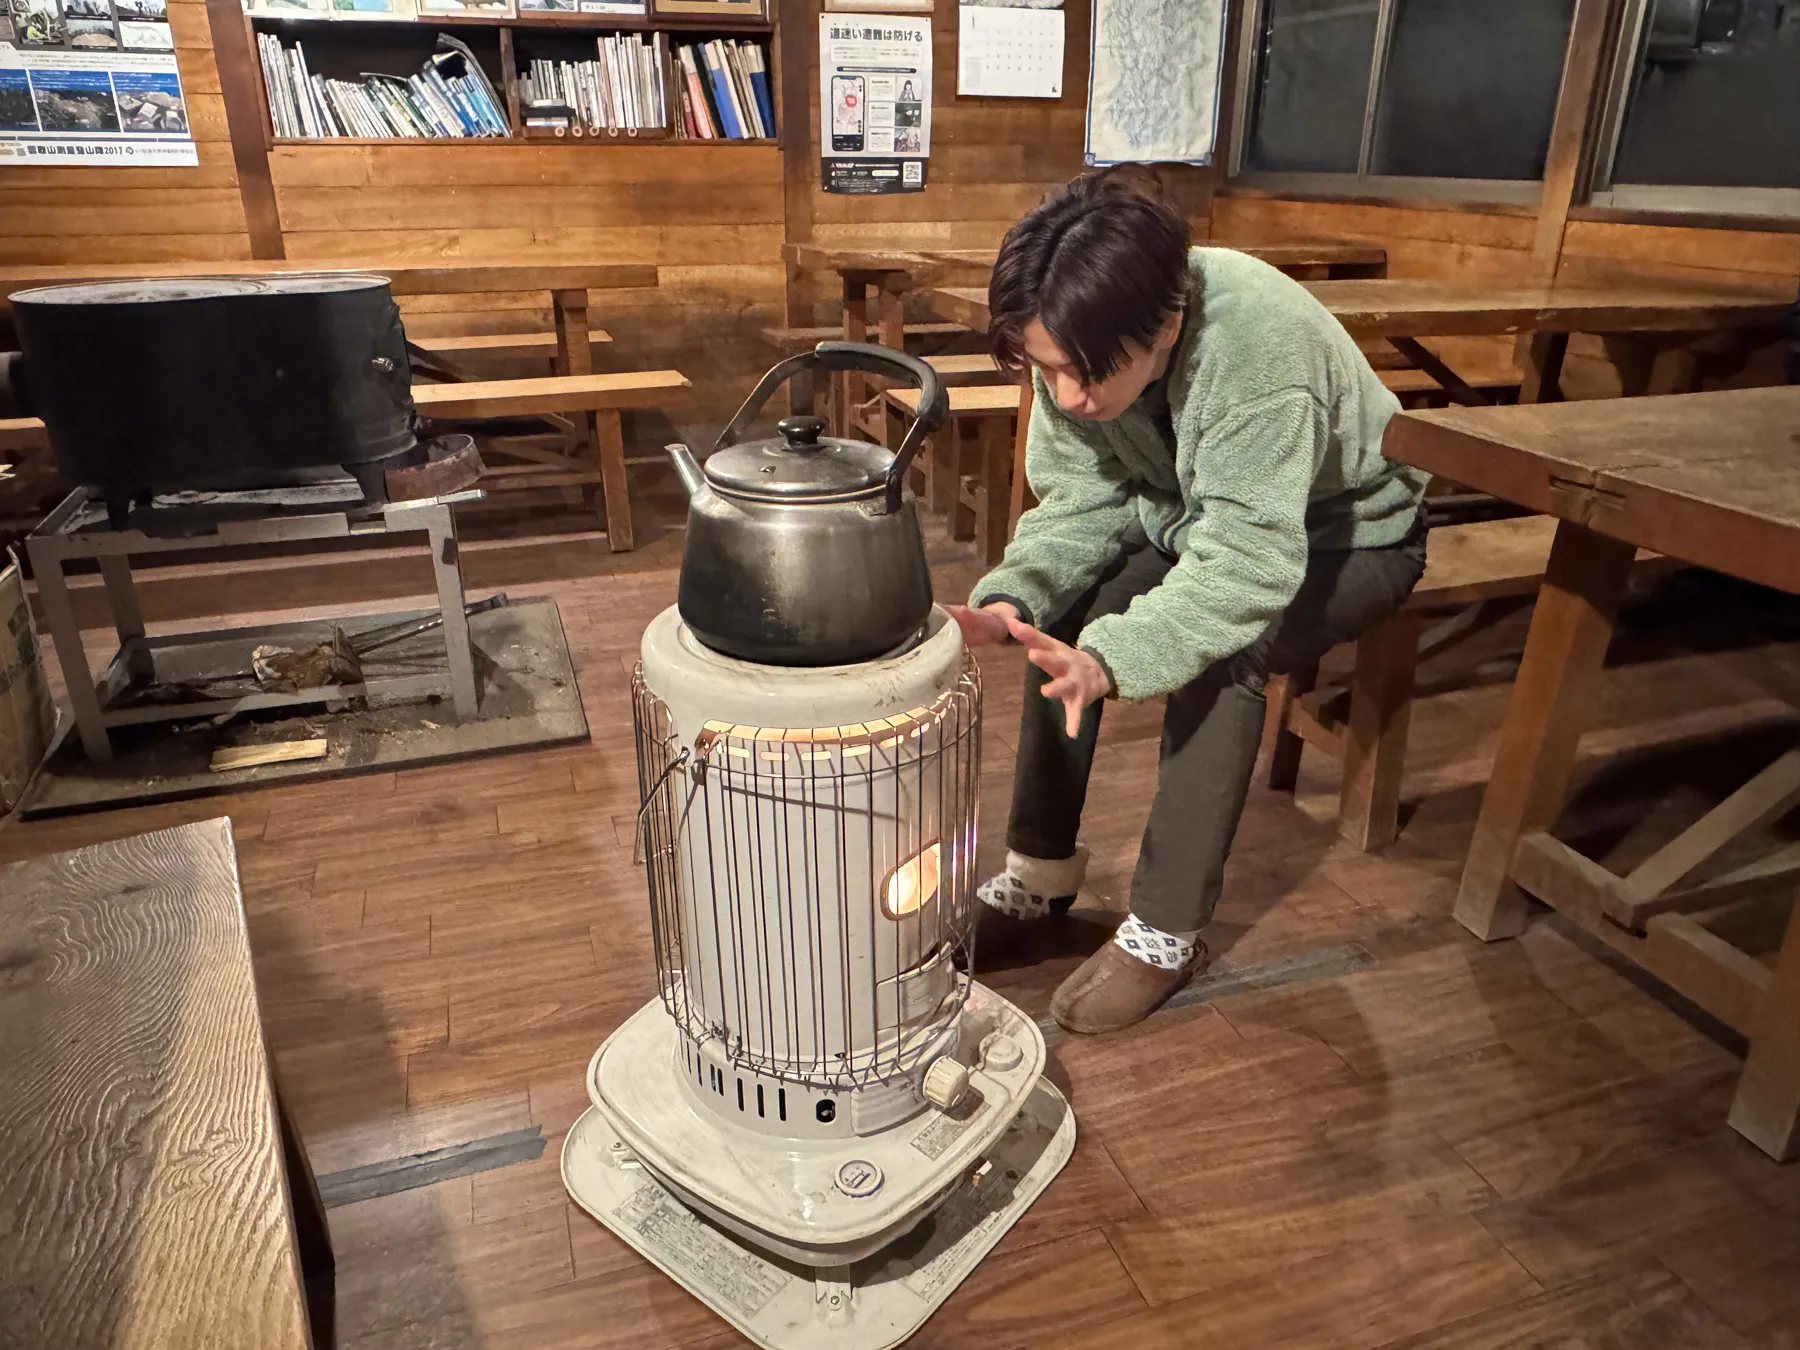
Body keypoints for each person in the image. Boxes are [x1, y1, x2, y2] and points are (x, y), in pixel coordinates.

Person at [946, 169, 1430, 1034]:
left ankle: (1166, 933)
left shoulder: (1253, 347)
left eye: (1082, 376)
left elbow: (1247, 567)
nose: (1065, 398)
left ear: (1166, 328)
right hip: (1194, 519)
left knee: (1226, 651)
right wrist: (1009, 599)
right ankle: (1040, 872)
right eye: (1045, 371)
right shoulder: (1080, 333)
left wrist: (1115, 661)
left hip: (1349, 534)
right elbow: (1081, 503)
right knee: (1056, 618)